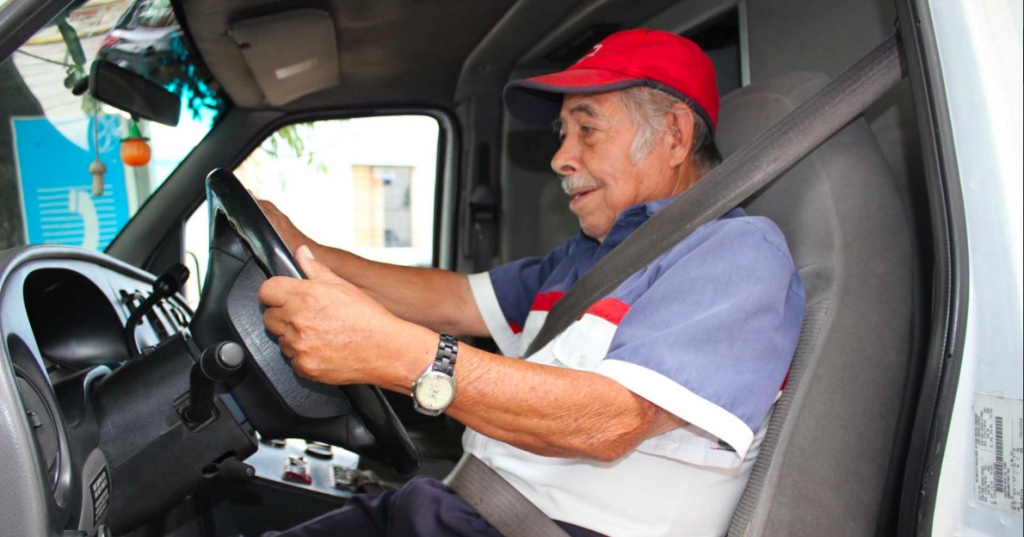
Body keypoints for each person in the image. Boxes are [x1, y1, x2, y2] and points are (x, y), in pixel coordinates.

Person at [256, 29, 805, 537]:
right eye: (564, 133)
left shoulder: (734, 252)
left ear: (674, 135)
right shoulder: (583, 259)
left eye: (587, 130)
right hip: (451, 504)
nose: (561, 158)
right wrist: (300, 245)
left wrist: (399, 356)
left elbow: (615, 421)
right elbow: (452, 300)